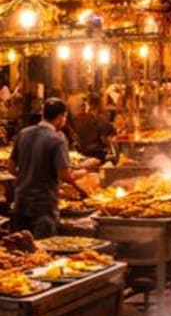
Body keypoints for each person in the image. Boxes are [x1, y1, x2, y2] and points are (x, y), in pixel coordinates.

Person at [9, 98, 88, 237]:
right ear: (60, 117)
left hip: (20, 202)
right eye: (64, 117)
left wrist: (27, 178)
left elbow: (11, 167)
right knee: (43, 251)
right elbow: (64, 175)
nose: (64, 121)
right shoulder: (57, 139)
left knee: (19, 250)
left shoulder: (24, 133)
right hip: (43, 207)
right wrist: (81, 175)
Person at [72, 93, 116, 161]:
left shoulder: (78, 118)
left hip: (82, 154)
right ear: (97, 105)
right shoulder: (100, 119)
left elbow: (75, 137)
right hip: (97, 155)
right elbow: (108, 139)